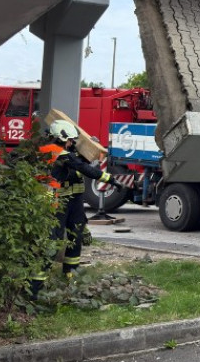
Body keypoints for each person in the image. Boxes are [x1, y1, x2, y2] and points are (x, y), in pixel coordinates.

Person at [29, 121, 127, 299]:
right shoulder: (61, 154)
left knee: (76, 236)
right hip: (56, 203)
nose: (72, 143)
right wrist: (112, 180)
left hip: (69, 202)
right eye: (71, 140)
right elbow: (83, 168)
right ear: (62, 138)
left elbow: (77, 165)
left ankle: (70, 279)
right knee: (52, 243)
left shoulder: (59, 152)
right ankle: (34, 290)